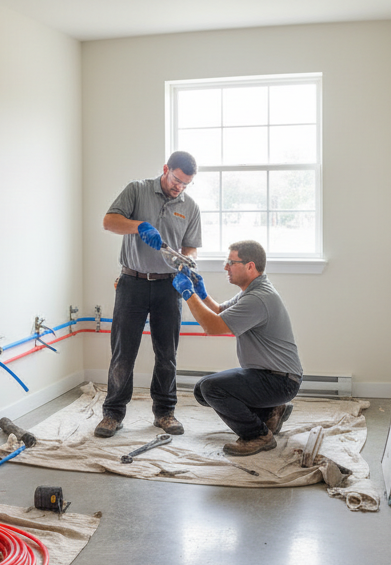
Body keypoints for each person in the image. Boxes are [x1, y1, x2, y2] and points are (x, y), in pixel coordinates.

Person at [96, 151, 202, 438]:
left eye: (186, 184)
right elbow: (109, 221)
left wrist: (187, 261)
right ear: (166, 169)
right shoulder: (137, 190)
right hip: (133, 282)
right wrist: (139, 226)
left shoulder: (190, 207)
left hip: (169, 286)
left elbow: (191, 247)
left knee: (167, 354)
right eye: (177, 180)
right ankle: (113, 414)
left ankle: (165, 412)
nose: (179, 187)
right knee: (123, 352)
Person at [173, 240, 303, 456]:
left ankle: (257, 435)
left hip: (280, 381)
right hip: (271, 376)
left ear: (250, 266)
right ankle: (271, 412)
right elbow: (219, 311)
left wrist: (188, 294)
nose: (226, 267)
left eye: (231, 262)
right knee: (202, 391)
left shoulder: (258, 298)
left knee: (212, 389)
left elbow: (213, 326)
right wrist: (200, 292)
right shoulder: (253, 290)